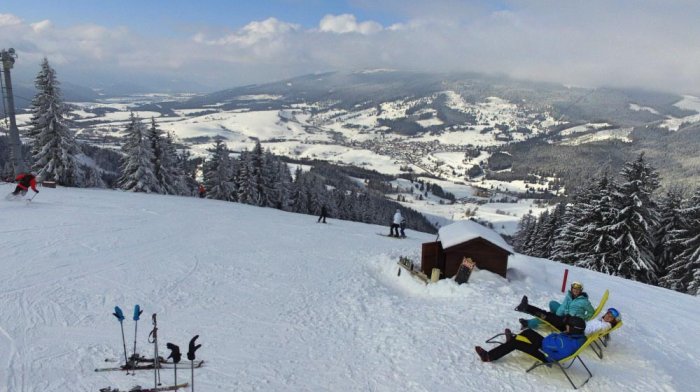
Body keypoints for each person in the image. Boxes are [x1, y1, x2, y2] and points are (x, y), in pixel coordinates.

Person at [475, 316, 587, 363]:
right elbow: (554, 342)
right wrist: (558, 336)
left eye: (568, 327)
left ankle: (488, 356)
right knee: (528, 332)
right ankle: (511, 341)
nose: (566, 327)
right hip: (549, 347)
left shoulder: (565, 342)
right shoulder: (577, 337)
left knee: (516, 343)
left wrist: (554, 336)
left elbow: (549, 343)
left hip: (546, 355)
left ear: (574, 329)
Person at [516, 281, 595, 330]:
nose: (575, 290)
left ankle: (527, 320)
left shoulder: (584, 301)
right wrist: (558, 314)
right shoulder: (569, 296)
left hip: (568, 322)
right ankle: (526, 308)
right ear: (571, 288)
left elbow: (591, 312)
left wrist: (580, 319)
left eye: (578, 289)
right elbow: (564, 306)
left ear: (581, 290)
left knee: (545, 316)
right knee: (552, 304)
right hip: (563, 315)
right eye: (574, 288)